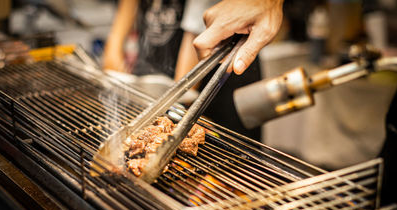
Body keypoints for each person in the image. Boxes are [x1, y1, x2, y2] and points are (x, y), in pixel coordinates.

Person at [103, 0, 284, 141]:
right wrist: (115, 43)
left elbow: (199, 30)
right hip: (159, 57)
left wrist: (174, 110)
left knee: (225, 165)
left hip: (219, 58)